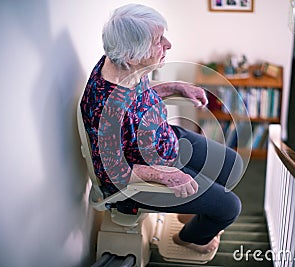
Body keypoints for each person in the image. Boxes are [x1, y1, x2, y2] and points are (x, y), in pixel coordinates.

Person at [80, 3, 244, 254]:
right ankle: (189, 238)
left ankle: (195, 214)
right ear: (132, 56)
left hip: (164, 139)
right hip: (143, 173)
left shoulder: (123, 64)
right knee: (229, 207)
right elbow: (110, 173)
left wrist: (175, 87)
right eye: (159, 40)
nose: (168, 44)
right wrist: (167, 176)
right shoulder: (105, 107)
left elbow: (136, 101)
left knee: (232, 165)